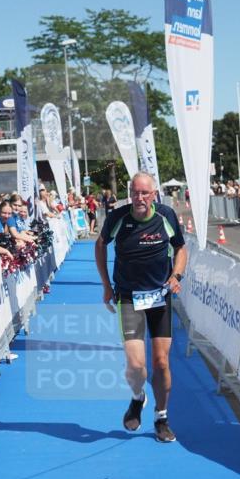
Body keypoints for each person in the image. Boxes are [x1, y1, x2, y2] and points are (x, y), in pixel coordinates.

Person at [94, 172, 187, 444]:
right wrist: (106, 285)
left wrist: (176, 276)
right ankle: (138, 398)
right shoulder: (118, 218)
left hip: (160, 297)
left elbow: (181, 249)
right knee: (136, 367)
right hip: (128, 297)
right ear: (130, 193)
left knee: (160, 362)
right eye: (135, 193)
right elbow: (100, 245)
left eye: (145, 193)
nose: (139, 198)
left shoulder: (165, 216)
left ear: (154, 194)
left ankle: (161, 417)